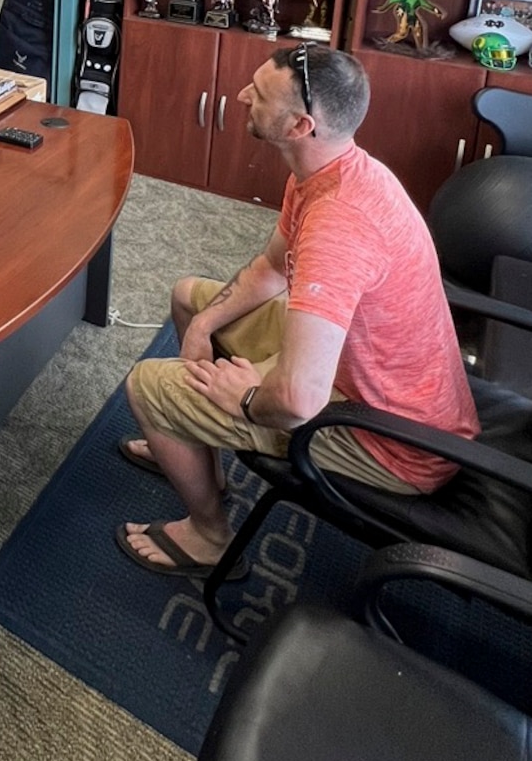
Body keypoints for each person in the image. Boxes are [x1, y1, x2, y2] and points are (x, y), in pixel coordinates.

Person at [116, 44, 479, 579]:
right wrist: (205, 324)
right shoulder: (328, 171)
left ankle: (211, 537)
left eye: (258, 94)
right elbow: (271, 267)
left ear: (299, 125)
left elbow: (297, 399)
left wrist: (240, 397)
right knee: (188, 294)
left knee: (147, 384)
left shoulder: (339, 223)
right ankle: (193, 452)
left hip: (393, 440)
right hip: (359, 374)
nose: (240, 95)